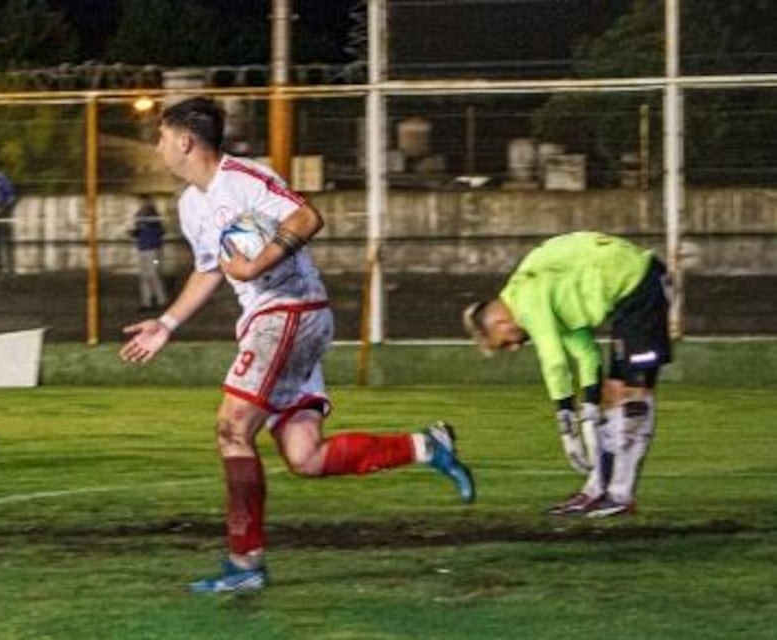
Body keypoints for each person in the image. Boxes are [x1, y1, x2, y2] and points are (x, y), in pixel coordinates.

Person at [120, 97, 475, 594]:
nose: (156, 146)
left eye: (160, 136)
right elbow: (208, 270)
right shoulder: (189, 205)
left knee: (231, 428)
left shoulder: (241, 178)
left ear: (185, 141)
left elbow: (306, 216)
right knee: (305, 456)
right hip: (273, 318)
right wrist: (167, 322)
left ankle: (245, 565)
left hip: (289, 311)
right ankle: (425, 446)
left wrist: (257, 264)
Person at [463, 231, 671, 518]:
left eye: (505, 342)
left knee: (633, 396)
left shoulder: (526, 297)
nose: (513, 348)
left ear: (499, 322)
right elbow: (586, 354)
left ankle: (620, 496)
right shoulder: (537, 291)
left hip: (639, 285)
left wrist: (566, 421)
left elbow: (555, 362)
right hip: (629, 293)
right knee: (612, 396)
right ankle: (597, 490)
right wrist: (587, 409)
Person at [130, 196, 168, 311]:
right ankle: (147, 302)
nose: (142, 206)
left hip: (153, 251)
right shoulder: (140, 217)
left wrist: (144, 227)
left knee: (153, 274)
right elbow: (138, 232)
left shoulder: (154, 218)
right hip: (143, 250)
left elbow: (160, 231)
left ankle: (162, 300)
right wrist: (135, 232)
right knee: (144, 276)